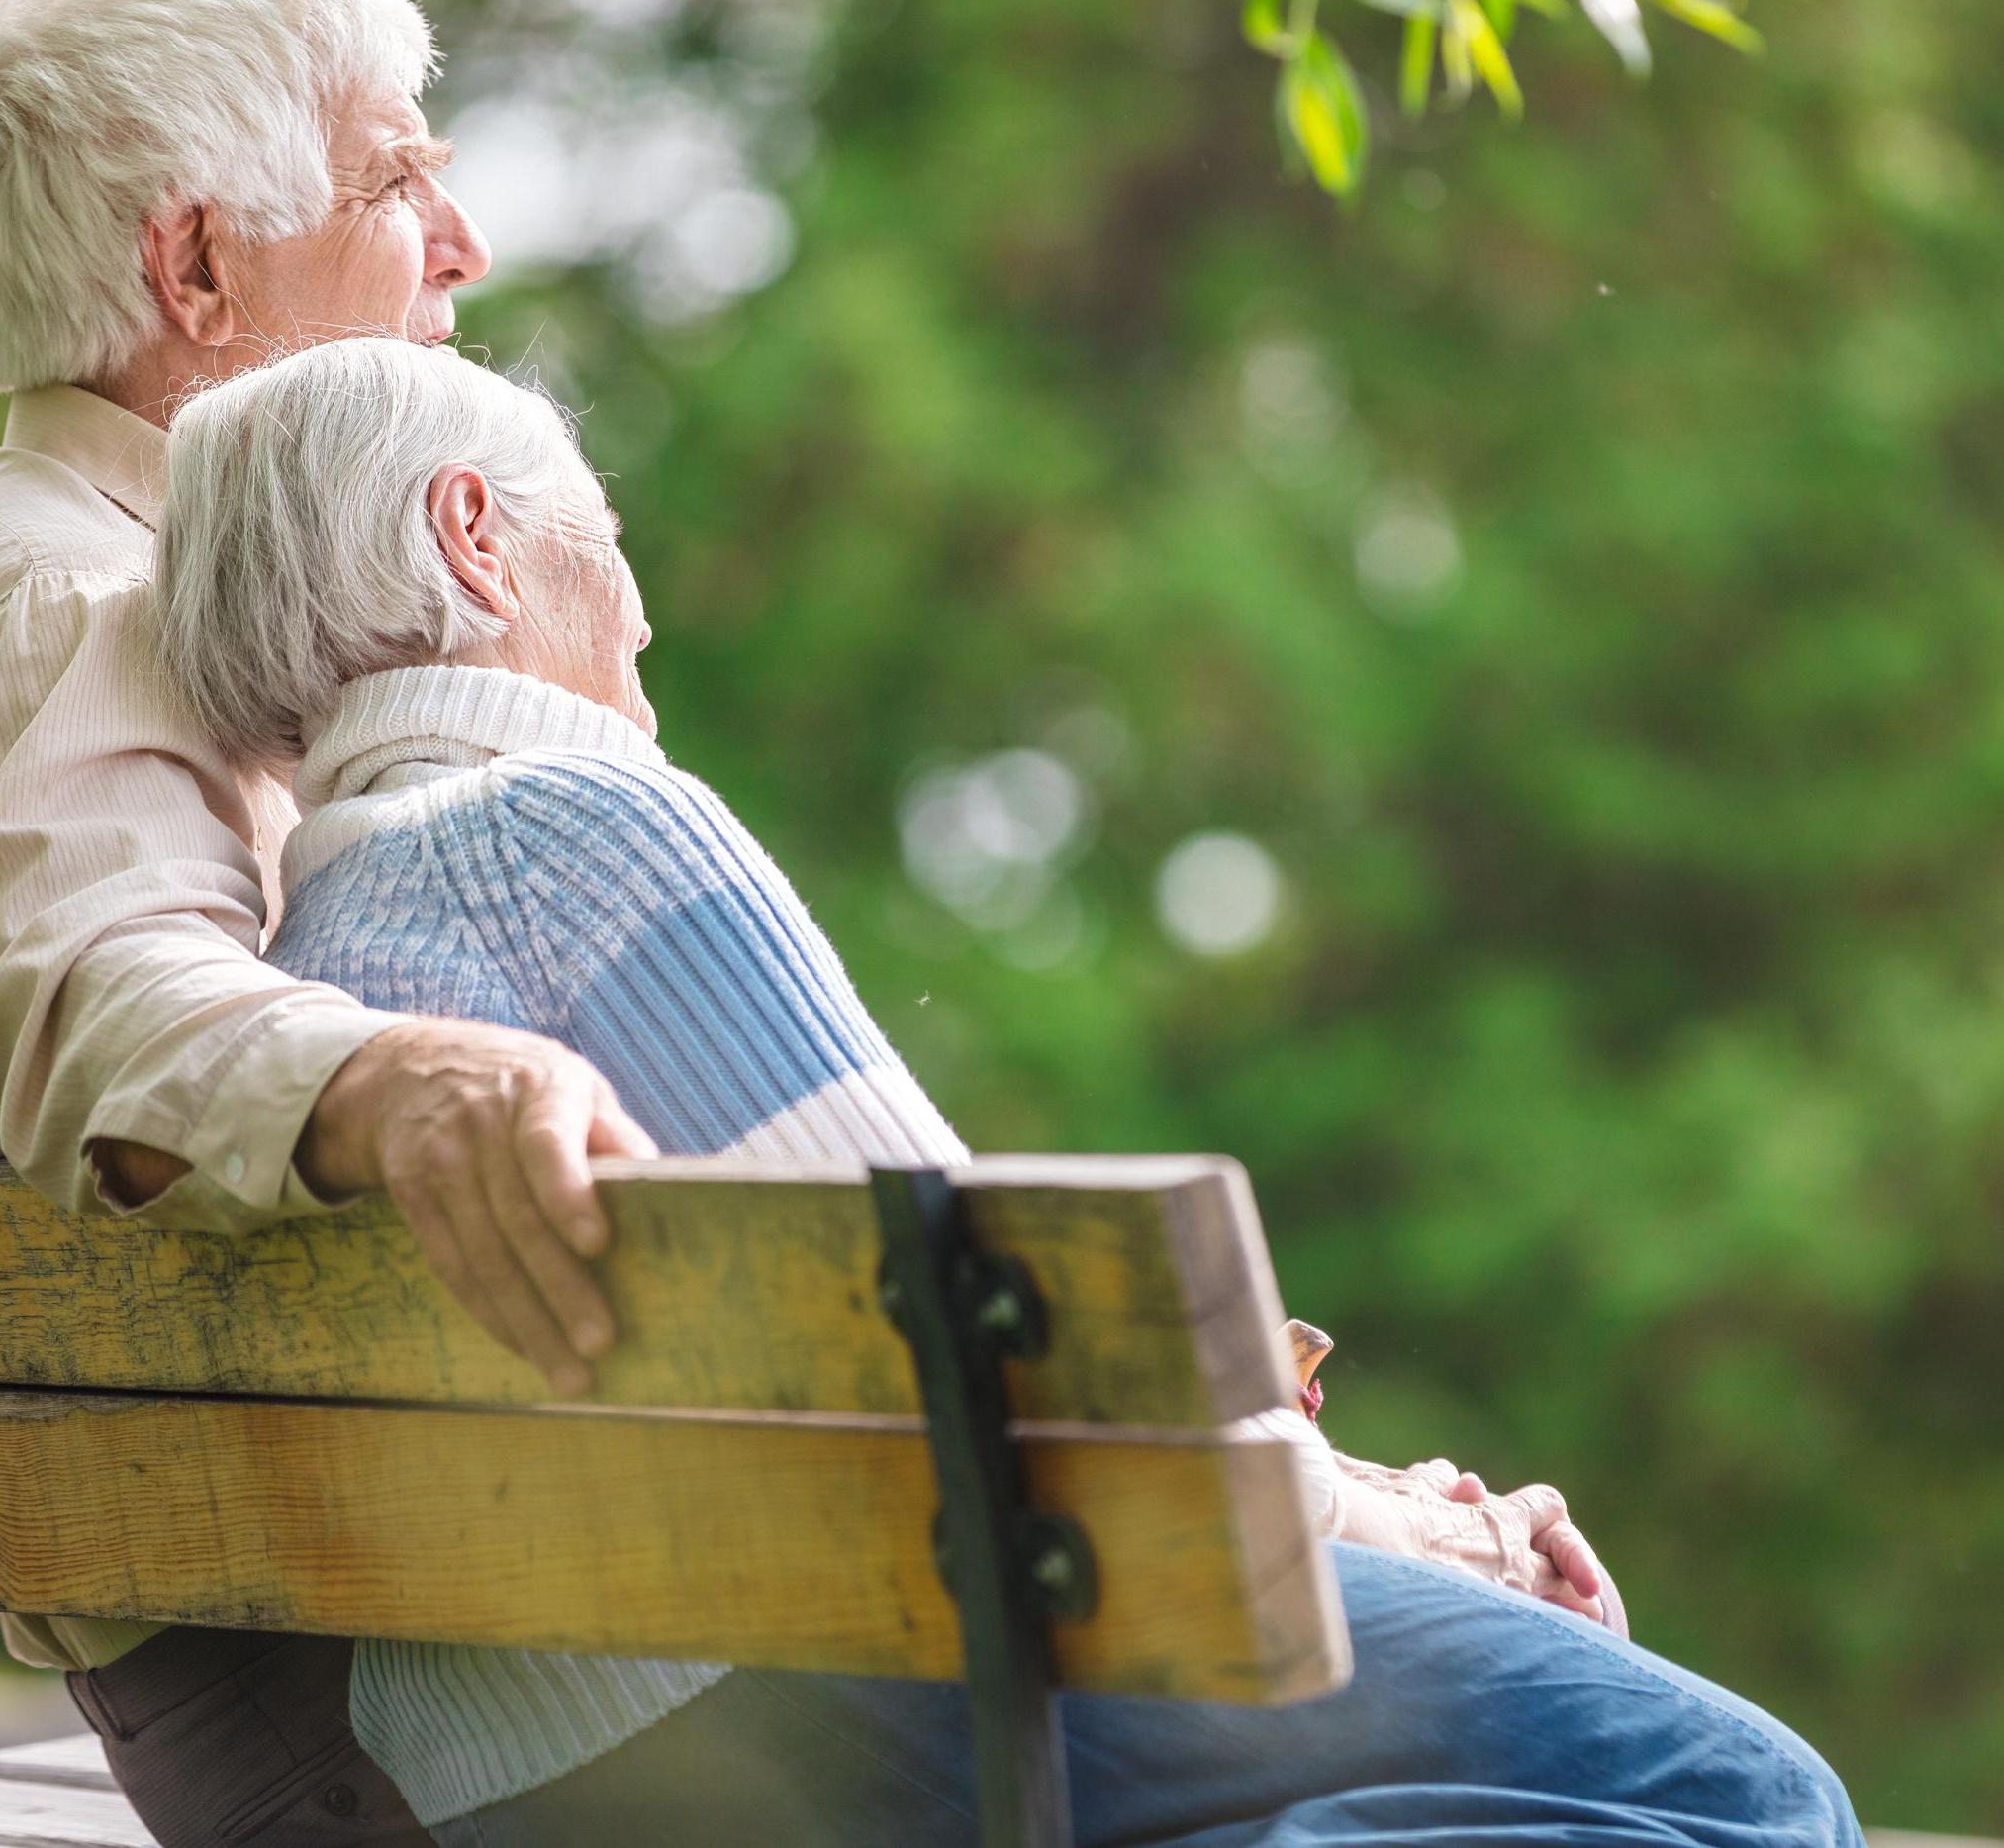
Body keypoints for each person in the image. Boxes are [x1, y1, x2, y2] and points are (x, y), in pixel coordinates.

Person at [145, 334, 1865, 1848]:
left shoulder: (306, 953)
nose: (645, 601)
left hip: (509, 1775)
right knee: (1749, 1796)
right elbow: (1011, 1380)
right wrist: (1434, 1531)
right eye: (602, 530)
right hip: (822, 1693)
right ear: (474, 538)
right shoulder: (569, 828)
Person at [0, 0, 663, 1847]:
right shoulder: (71, 595)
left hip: (406, 1605)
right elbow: (105, 993)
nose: (462, 242)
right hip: (350, 1689)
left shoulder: (170, 589)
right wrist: (403, 1079)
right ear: (195, 265)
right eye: (394, 176)